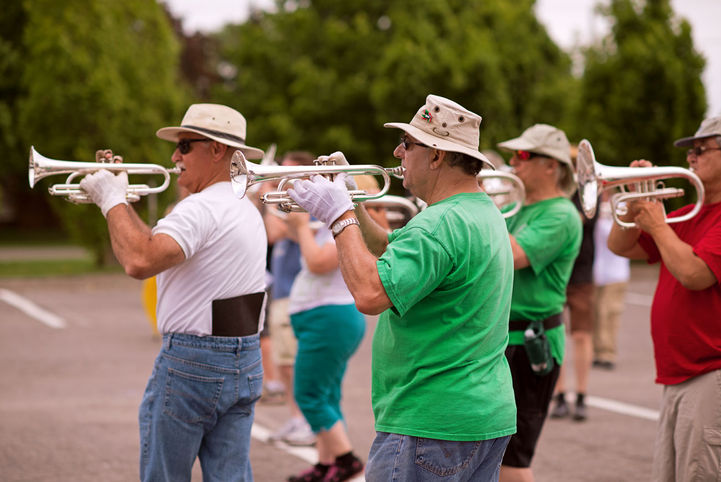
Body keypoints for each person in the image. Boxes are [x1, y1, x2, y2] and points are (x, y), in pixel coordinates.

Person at [288, 94, 517, 481]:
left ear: (436, 156)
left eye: (407, 145)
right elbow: (392, 249)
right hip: (479, 414)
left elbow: (370, 294)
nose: (397, 152)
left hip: (429, 419)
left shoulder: (438, 224)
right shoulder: (477, 211)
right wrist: (354, 201)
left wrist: (338, 215)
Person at [78, 103, 268, 481]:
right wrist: (119, 203)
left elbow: (138, 260)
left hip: (192, 361)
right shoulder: (243, 207)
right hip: (244, 356)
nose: (174, 156)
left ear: (217, 150)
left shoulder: (200, 208)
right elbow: (148, 245)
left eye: (184, 145)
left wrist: (110, 198)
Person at [607, 116, 721, 482]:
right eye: (691, 150)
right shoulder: (693, 212)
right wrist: (632, 196)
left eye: (702, 149)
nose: (691, 157)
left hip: (709, 374)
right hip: (678, 375)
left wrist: (656, 222)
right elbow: (620, 246)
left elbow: (694, 274)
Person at [496, 124, 582, 482]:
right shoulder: (515, 208)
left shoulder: (561, 214)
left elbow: (509, 254)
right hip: (502, 341)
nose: (514, 162)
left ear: (552, 166)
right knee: (491, 453)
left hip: (529, 345)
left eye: (524, 155)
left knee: (513, 461)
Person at [281, 200, 366, 482]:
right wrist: (294, 221)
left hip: (328, 320)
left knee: (308, 394)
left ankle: (346, 461)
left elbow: (318, 263)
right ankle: (326, 463)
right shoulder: (330, 226)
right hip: (323, 320)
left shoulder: (345, 227)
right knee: (326, 395)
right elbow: (292, 236)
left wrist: (302, 226)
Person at [261, 150, 317, 446]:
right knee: (283, 364)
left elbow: (274, 232)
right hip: (281, 291)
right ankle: (296, 418)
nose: (280, 177)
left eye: (287, 173)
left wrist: (268, 193)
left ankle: (307, 422)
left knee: (296, 364)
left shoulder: (306, 206)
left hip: (297, 293)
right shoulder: (286, 204)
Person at [550, 184, 598, 422]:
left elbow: (576, 220)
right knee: (555, 333)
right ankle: (559, 395)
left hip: (581, 274)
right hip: (555, 272)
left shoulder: (585, 193)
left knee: (581, 335)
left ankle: (581, 394)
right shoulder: (554, 193)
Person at [591, 191, 630, 370]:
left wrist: (603, 216)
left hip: (617, 273)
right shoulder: (594, 208)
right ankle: (598, 351)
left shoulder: (622, 209)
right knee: (597, 313)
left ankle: (608, 353)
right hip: (598, 272)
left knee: (610, 313)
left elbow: (612, 237)